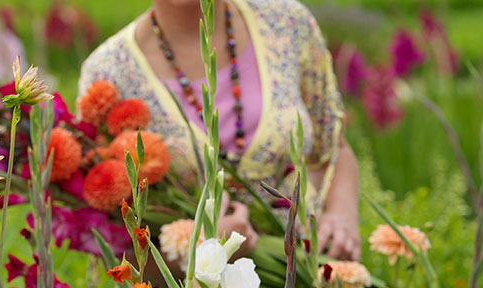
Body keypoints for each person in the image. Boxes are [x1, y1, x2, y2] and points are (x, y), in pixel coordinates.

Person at [78, 0, 360, 260]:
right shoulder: (108, 73)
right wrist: (202, 250)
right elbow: (115, 246)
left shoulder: (286, 22)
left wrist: (340, 215)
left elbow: (334, 149)